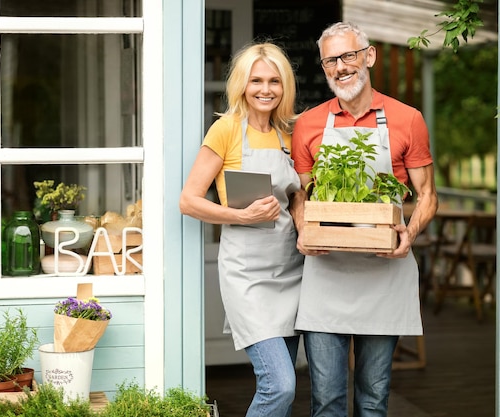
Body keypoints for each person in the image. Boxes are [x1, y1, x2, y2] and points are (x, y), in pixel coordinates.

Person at [290, 22, 438, 417]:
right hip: (327, 272)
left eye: (348, 56)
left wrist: (410, 232)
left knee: (373, 400)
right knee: (326, 401)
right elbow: (302, 196)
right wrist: (303, 228)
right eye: (329, 62)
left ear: (368, 56)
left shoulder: (407, 119)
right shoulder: (308, 124)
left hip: (384, 271)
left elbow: (427, 196)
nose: (340, 68)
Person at [179, 42, 303, 417]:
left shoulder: (289, 135)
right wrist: (243, 216)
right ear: (242, 85)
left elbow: (296, 195)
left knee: (288, 386)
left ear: (285, 87)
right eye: (256, 81)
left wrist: (301, 213)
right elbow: (188, 200)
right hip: (247, 275)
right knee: (279, 386)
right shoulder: (226, 130)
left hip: (291, 270)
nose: (266, 89)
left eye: (274, 81)